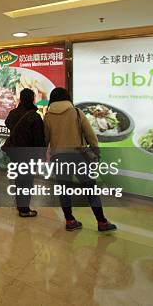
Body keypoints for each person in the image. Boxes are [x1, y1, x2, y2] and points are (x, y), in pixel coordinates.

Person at [44, 87, 117, 232]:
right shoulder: (76, 112)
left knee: (64, 190)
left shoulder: (48, 116)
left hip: (58, 158)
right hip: (78, 156)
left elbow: (46, 139)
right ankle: (102, 222)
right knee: (90, 189)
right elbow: (91, 135)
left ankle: (70, 221)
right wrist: (96, 151)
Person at [4, 88, 45, 217]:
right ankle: (24, 209)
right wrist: (42, 156)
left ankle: (19, 203)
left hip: (15, 151)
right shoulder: (34, 116)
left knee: (19, 178)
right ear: (32, 99)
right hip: (28, 154)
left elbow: (8, 123)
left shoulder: (13, 113)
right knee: (27, 181)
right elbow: (39, 138)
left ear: (21, 99)